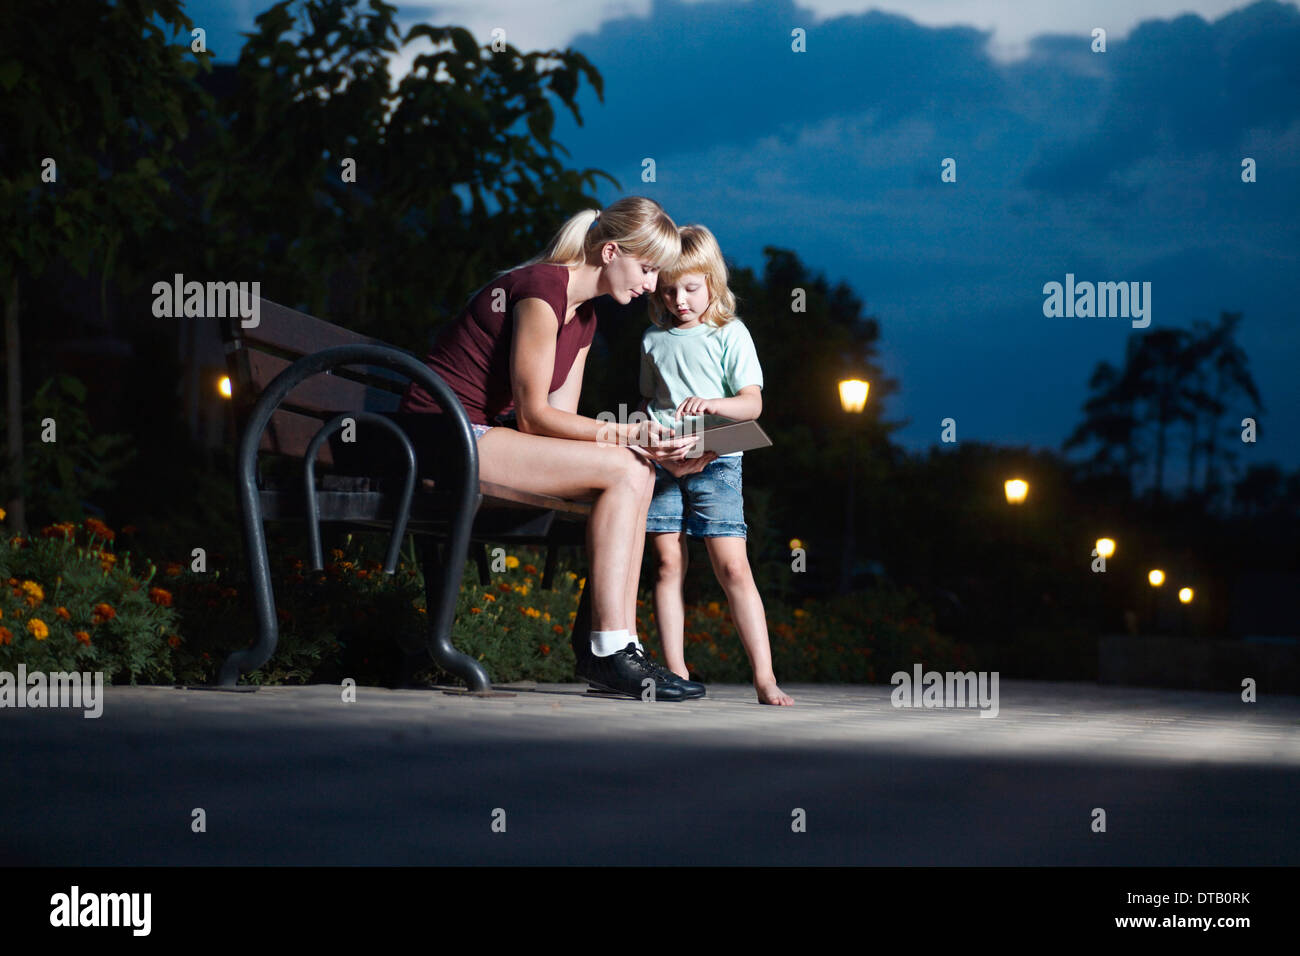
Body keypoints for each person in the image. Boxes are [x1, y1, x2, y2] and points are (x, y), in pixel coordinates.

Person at [398, 196, 713, 701]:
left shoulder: (584, 319)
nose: (652, 285)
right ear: (611, 252)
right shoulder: (542, 290)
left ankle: (617, 645)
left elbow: (556, 423)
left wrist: (646, 444)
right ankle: (608, 651)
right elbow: (534, 415)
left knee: (639, 469)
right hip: (438, 434)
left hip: (477, 434)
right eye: (648, 269)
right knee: (627, 467)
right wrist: (630, 433)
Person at [640, 225, 794, 705]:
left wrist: (712, 405)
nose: (679, 300)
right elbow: (651, 400)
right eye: (668, 290)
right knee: (666, 565)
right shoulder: (651, 339)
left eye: (689, 288)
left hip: (717, 461)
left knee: (733, 567)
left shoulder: (731, 332)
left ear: (712, 282)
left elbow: (752, 405)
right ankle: (676, 670)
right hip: (663, 463)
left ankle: (764, 677)